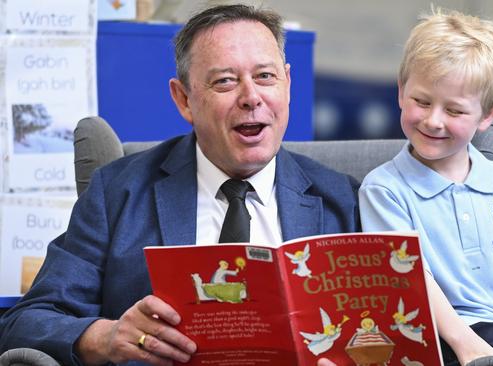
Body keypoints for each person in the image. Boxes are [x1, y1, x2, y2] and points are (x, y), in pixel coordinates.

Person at [0, 4, 358, 365]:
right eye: (225, 81)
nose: (251, 97)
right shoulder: (117, 193)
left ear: (288, 84)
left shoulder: (344, 200)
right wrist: (106, 337)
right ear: (183, 99)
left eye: (265, 76)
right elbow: (25, 323)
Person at [359, 8, 493, 366]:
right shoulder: (383, 189)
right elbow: (412, 281)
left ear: (487, 115)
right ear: (400, 91)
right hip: (433, 337)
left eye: (454, 111)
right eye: (421, 101)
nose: (433, 120)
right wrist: (471, 349)